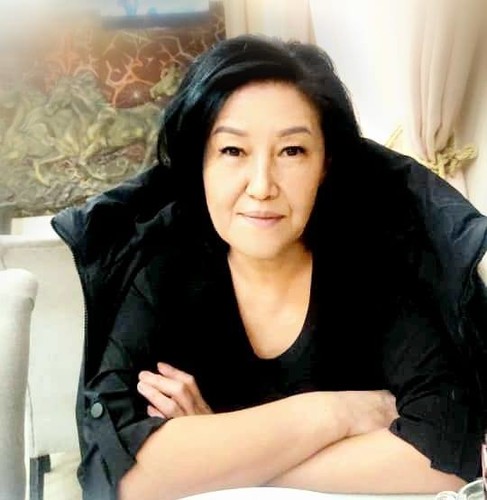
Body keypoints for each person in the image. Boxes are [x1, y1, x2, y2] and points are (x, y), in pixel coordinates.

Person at [52, 35, 487, 500]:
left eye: (292, 151)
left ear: (325, 163)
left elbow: (447, 456)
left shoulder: (378, 264)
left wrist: (217, 453)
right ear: (199, 162)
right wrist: (334, 415)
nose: (262, 186)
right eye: (233, 151)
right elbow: (117, 473)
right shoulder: (158, 270)